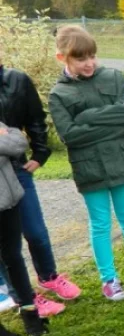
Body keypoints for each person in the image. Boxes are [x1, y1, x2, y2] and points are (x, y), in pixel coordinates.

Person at [48, 25, 124, 301]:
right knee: (100, 224)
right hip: (90, 167)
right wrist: (110, 120)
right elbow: (70, 135)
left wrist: (87, 117)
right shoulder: (58, 94)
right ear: (62, 58)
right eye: (80, 58)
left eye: (92, 56)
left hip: (122, 161)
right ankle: (109, 279)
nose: (89, 63)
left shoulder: (113, 76)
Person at [0, 49, 80, 316]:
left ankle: (49, 276)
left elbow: (33, 120)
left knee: (35, 231)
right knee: (6, 246)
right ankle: (23, 296)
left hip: (18, 168)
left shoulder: (16, 80)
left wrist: (40, 153)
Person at [0, 122, 49, 336]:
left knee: (14, 258)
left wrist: (7, 140)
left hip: (9, 201)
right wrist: (4, 141)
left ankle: (31, 316)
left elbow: (18, 142)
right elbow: (9, 144)